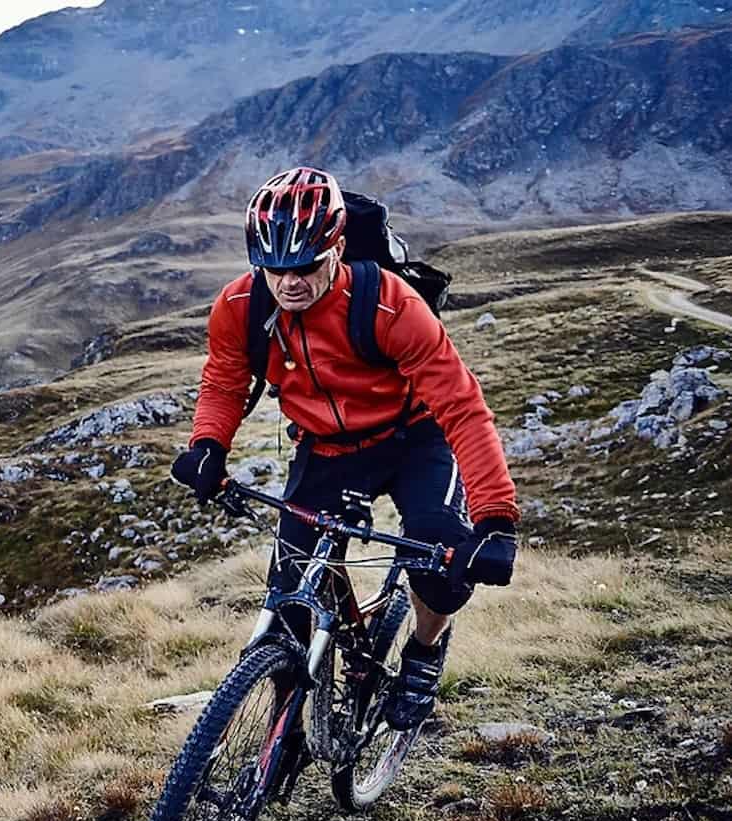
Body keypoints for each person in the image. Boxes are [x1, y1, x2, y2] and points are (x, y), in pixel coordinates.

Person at [171, 166, 519, 730]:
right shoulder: (241, 305)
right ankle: (280, 734)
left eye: (305, 267)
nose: (289, 283)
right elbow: (225, 380)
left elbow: (460, 406)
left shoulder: (387, 305)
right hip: (327, 448)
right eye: (274, 268)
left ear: (335, 247)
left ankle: (424, 655)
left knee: (437, 561)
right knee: (289, 594)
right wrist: (208, 446)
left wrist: (496, 519)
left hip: (414, 438)